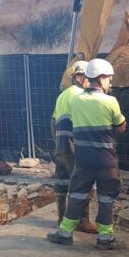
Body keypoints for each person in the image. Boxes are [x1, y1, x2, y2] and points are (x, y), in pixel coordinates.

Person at [47, 58, 127, 250]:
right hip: (106, 161)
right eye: (108, 78)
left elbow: (69, 123)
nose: (110, 82)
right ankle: (105, 239)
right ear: (100, 78)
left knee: (76, 195)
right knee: (106, 199)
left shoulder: (75, 100)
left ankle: (65, 234)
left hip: (83, 161)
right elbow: (121, 128)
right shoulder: (111, 101)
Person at [51, 60, 97, 234]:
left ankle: (61, 218)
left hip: (62, 146)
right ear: (79, 76)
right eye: (89, 78)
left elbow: (53, 121)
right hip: (74, 146)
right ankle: (83, 221)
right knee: (83, 182)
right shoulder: (80, 96)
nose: (91, 82)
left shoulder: (63, 95)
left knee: (62, 183)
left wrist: (57, 144)